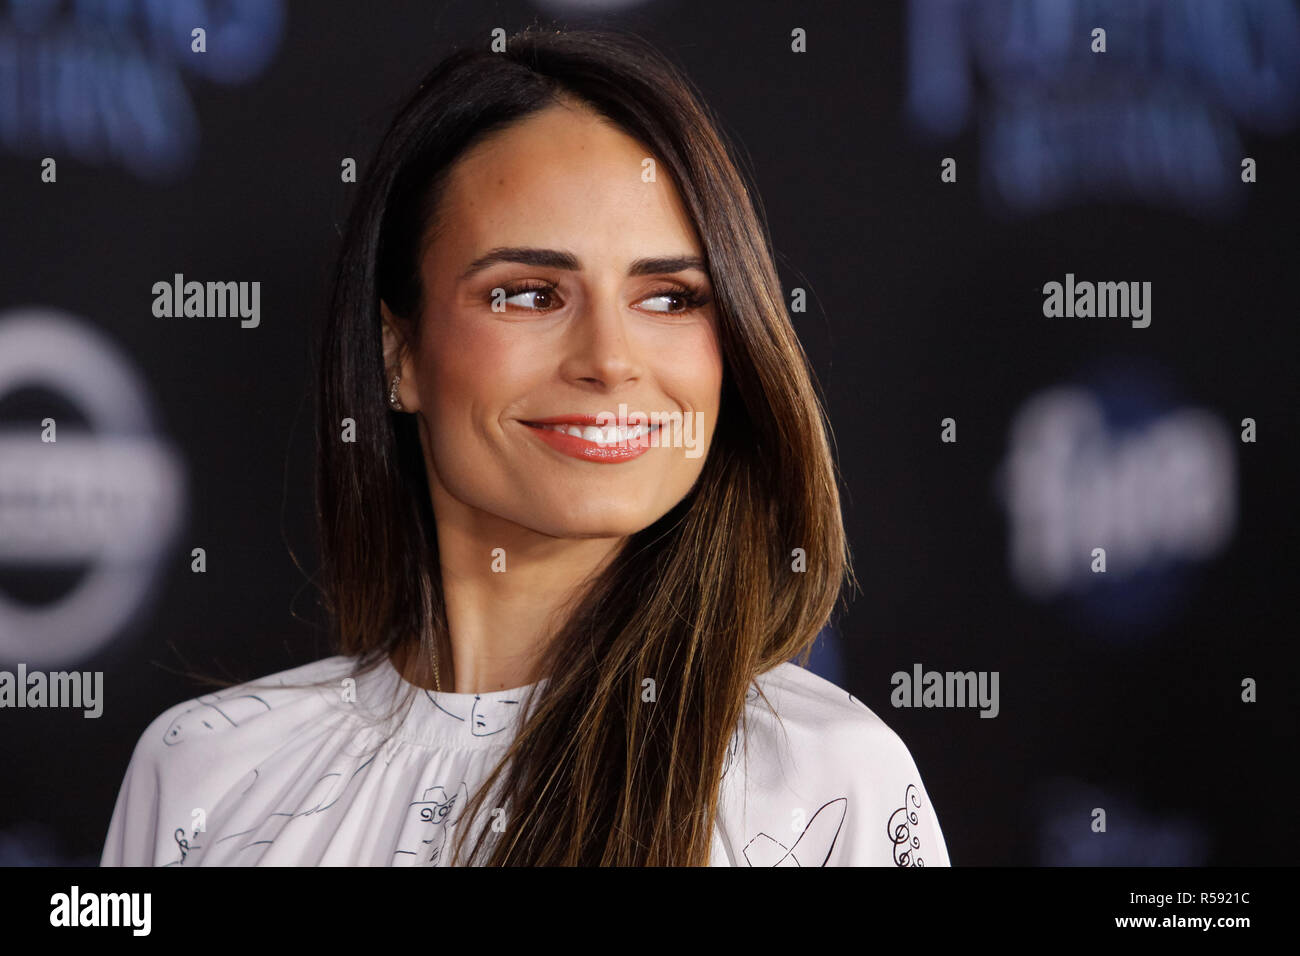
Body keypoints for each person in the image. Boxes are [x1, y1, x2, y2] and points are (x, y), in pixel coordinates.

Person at [101, 26, 951, 867]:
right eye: (530, 294)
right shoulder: (202, 774)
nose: (610, 361)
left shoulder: (827, 786)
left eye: (668, 298)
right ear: (400, 356)